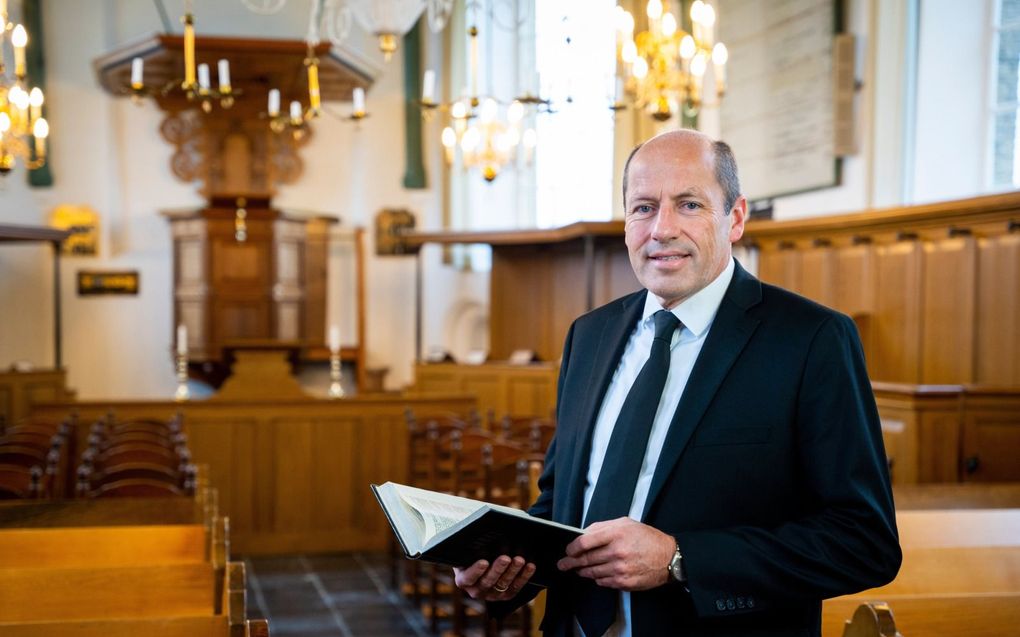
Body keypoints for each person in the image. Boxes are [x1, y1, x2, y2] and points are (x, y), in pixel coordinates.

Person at [453, 129, 901, 636]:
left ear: (735, 218)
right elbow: (562, 504)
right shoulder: (590, 335)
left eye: (688, 204)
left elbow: (864, 542)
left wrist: (679, 558)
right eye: (643, 207)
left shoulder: (811, 339)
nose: (661, 228)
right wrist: (510, 570)